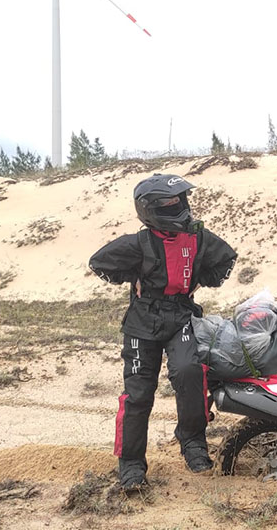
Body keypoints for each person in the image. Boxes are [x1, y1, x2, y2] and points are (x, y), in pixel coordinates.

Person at [89, 173, 237, 491]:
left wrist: (202, 279)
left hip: (182, 315)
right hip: (142, 323)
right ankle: (130, 464)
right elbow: (99, 262)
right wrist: (132, 276)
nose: (177, 206)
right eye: (168, 203)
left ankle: (193, 442)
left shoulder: (198, 236)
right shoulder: (139, 242)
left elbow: (226, 260)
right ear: (150, 209)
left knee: (189, 372)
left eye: (178, 200)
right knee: (139, 394)